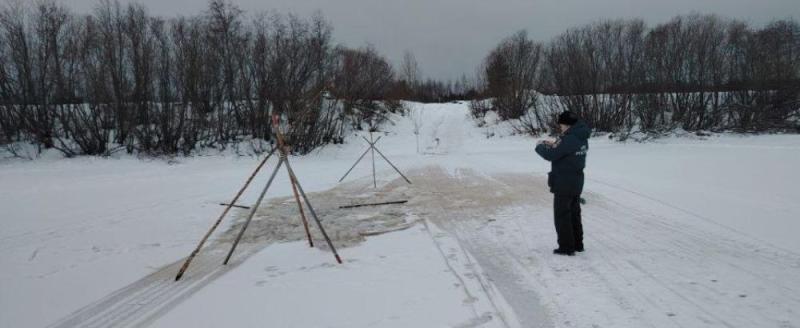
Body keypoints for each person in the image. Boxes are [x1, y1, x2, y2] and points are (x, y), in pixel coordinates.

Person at [534, 111, 590, 256]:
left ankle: (566, 247)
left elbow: (551, 154)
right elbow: (563, 150)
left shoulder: (570, 138)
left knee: (562, 215)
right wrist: (552, 144)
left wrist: (540, 146)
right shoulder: (580, 136)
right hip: (576, 181)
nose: (560, 128)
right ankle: (578, 244)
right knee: (574, 213)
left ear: (567, 124)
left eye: (561, 125)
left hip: (564, 182)